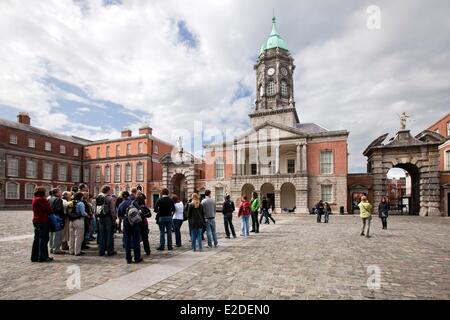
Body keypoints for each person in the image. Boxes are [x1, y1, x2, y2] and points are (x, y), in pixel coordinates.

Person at [118, 191, 143, 263]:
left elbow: (119, 216)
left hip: (126, 222)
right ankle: (137, 257)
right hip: (135, 222)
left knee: (127, 240)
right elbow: (139, 211)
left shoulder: (121, 204)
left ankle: (128, 258)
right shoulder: (133, 202)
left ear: (122, 196)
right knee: (136, 239)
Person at [31, 186, 53, 262]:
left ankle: (34, 257)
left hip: (36, 220)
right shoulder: (42, 199)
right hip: (42, 220)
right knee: (43, 239)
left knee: (36, 239)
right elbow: (49, 210)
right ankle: (43, 257)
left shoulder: (34, 199)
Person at [96, 185, 117, 256]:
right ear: (108, 190)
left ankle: (101, 251)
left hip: (100, 217)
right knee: (109, 234)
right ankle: (110, 251)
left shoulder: (99, 197)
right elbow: (112, 211)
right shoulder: (110, 198)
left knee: (102, 235)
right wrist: (114, 219)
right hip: (108, 217)